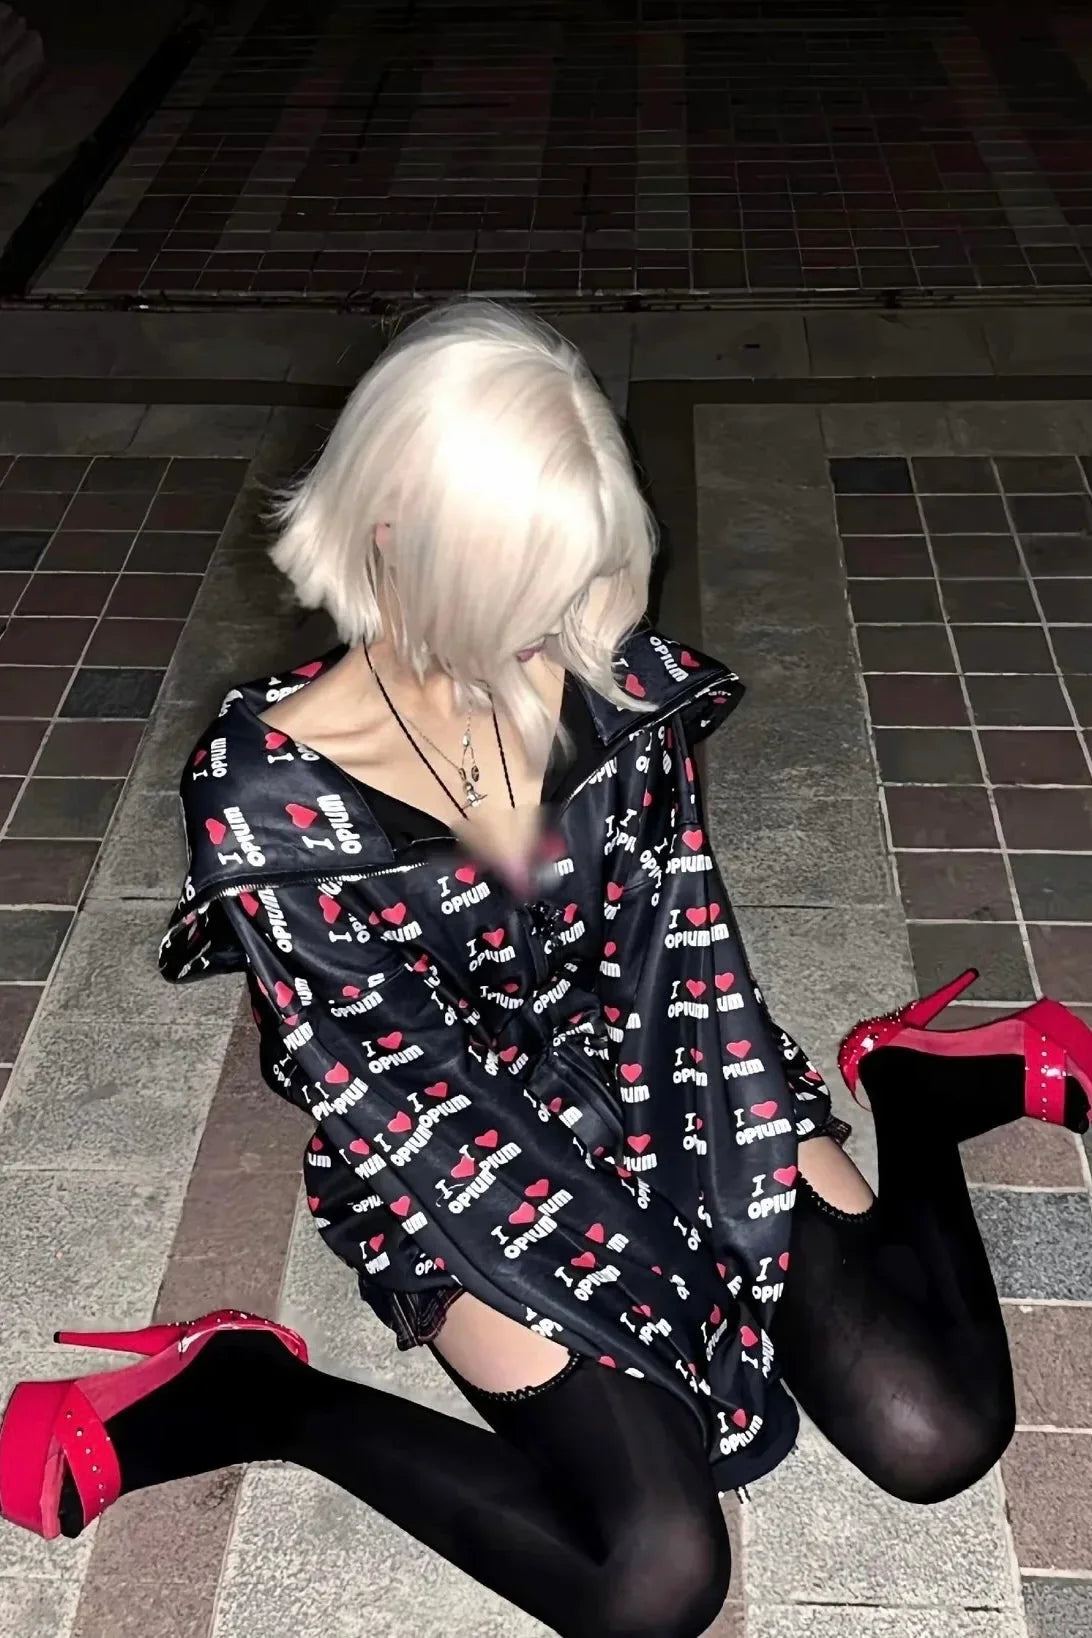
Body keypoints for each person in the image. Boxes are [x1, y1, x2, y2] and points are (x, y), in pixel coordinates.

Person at [1, 302, 1089, 1638]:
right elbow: (400, 1097)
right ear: (394, 540)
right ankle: (253, 1394)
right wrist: (662, 1277)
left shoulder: (602, 671)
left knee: (942, 1433)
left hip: (659, 1062)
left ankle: (915, 1093)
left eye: (585, 587)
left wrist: (738, 1174)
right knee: (655, 1579)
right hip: (446, 1150)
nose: (565, 642)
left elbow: (686, 962)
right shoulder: (268, 796)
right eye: (527, 600)